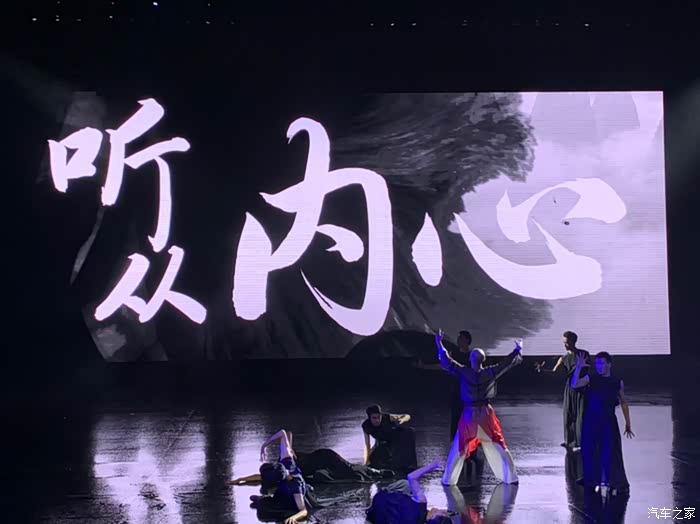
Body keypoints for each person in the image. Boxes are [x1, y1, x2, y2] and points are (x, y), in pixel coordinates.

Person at [435, 329, 522, 485]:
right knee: (498, 444)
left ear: (470, 358)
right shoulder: (489, 372)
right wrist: (517, 349)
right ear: (484, 360)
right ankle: (511, 476)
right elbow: (505, 363)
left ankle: (449, 479)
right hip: (485, 413)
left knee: (459, 445)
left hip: (470, 413)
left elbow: (447, 361)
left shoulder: (464, 371)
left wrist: (439, 343)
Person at [571, 351, 634, 497]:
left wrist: (628, 423)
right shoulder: (591, 378)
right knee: (589, 451)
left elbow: (623, 402)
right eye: (597, 363)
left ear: (609, 364)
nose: (599, 366)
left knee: (609, 452)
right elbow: (575, 384)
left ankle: (614, 482)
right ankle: (591, 479)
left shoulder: (617, 381)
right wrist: (578, 367)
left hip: (608, 421)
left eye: (602, 363)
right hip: (591, 420)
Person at [229, 430, 393, 485]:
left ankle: (378, 472)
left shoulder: (286, 460)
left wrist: (264, 445)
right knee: (348, 472)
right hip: (322, 463)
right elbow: (258, 477)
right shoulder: (283, 470)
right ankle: (375, 472)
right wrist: (239, 480)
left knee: (350, 470)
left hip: (326, 457)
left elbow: (286, 433)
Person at [535, 330, 590, 451]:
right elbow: (555, 372)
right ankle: (569, 442)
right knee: (568, 414)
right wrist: (542, 370)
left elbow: (587, 369)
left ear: (573, 341)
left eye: (567, 342)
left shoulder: (583, 354)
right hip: (569, 389)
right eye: (564, 342)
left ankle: (581, 441)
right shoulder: (563, 358)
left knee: (581, 415)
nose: (565, 345)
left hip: (581, 388)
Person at [247, 429, 310, 524]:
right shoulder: (286, 460)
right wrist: (264, 446)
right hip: (282, 489)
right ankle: (263, 498)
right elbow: (283, 433)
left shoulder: (296, 486)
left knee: (269, 507)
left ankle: (263, 498)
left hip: (288, 498)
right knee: (264, 505)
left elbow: (303, 510)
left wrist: (294, 517)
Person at [366, 461, 453, 524]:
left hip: (379, 499)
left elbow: (411, 477)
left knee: (406, 484)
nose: (443, 511)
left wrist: (432, 466)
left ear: (432, 517)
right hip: (375, 517)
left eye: (442, 513)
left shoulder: (421, 503)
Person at [362, 404, 418, 474]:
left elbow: (407, 416)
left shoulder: (387, 417)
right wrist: (366, 462)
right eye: (374, 418)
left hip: (397, 439)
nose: (377, 420)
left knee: (410, 431)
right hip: (385, 443)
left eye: (379, 417)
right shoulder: (366, 426)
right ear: (369, 418)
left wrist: (403, 419)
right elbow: (367, 445)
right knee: (374, 462)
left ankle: (410, 466)